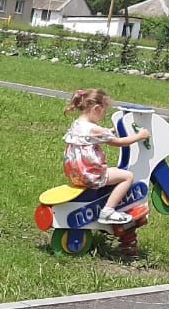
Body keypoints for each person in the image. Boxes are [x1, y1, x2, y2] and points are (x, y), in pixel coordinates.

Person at [63, 88, 150, 225]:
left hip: (75, 175)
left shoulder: (77, 125)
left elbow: (98, 135)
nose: (103, 116)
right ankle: (108, 211)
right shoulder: (95, 129)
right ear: (96, 109)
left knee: (115, 170)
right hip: (91, 176)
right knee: (127, 176)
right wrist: (140, 136)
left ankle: (105, 200)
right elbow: (119, 142)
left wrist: (112, 130)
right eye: (104, 112)